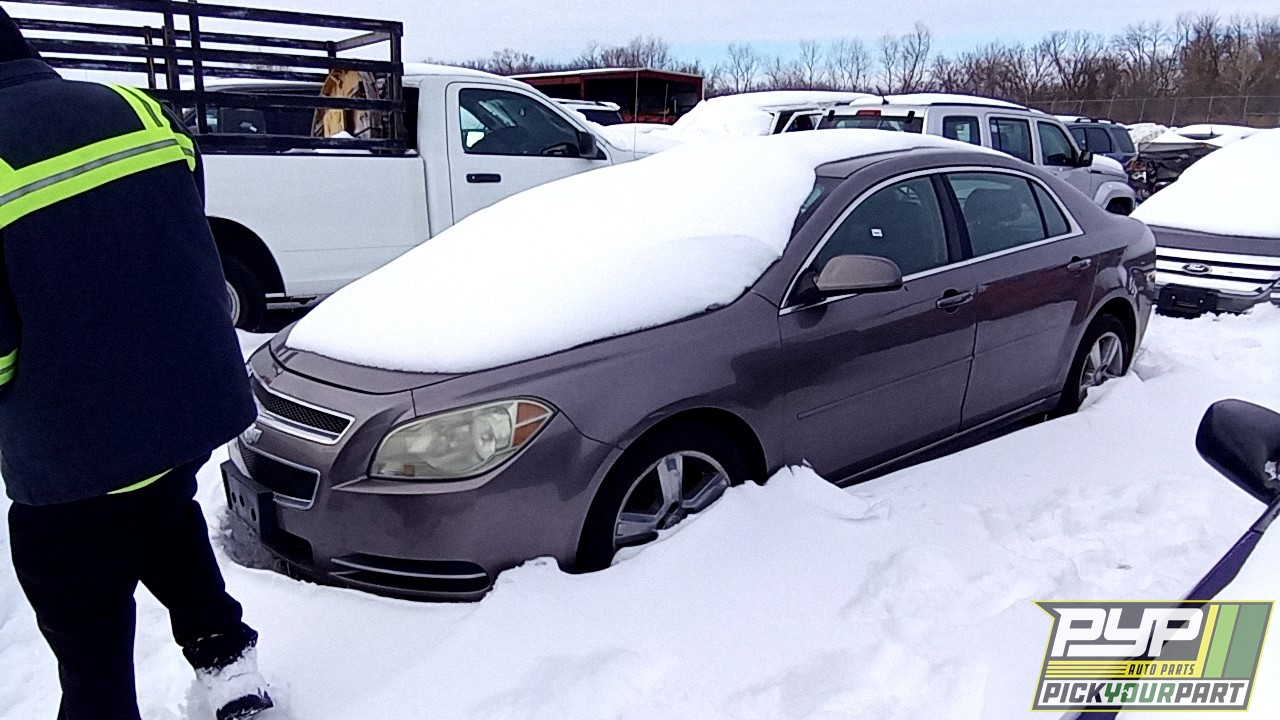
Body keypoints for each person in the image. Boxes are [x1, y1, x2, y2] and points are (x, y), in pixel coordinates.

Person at [0, 10, 271, 720]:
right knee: (163, 513)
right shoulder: (136, 106)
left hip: (71, 437)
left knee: (78, 595)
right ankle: (228, 666)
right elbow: (176, 231)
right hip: (185, 399)